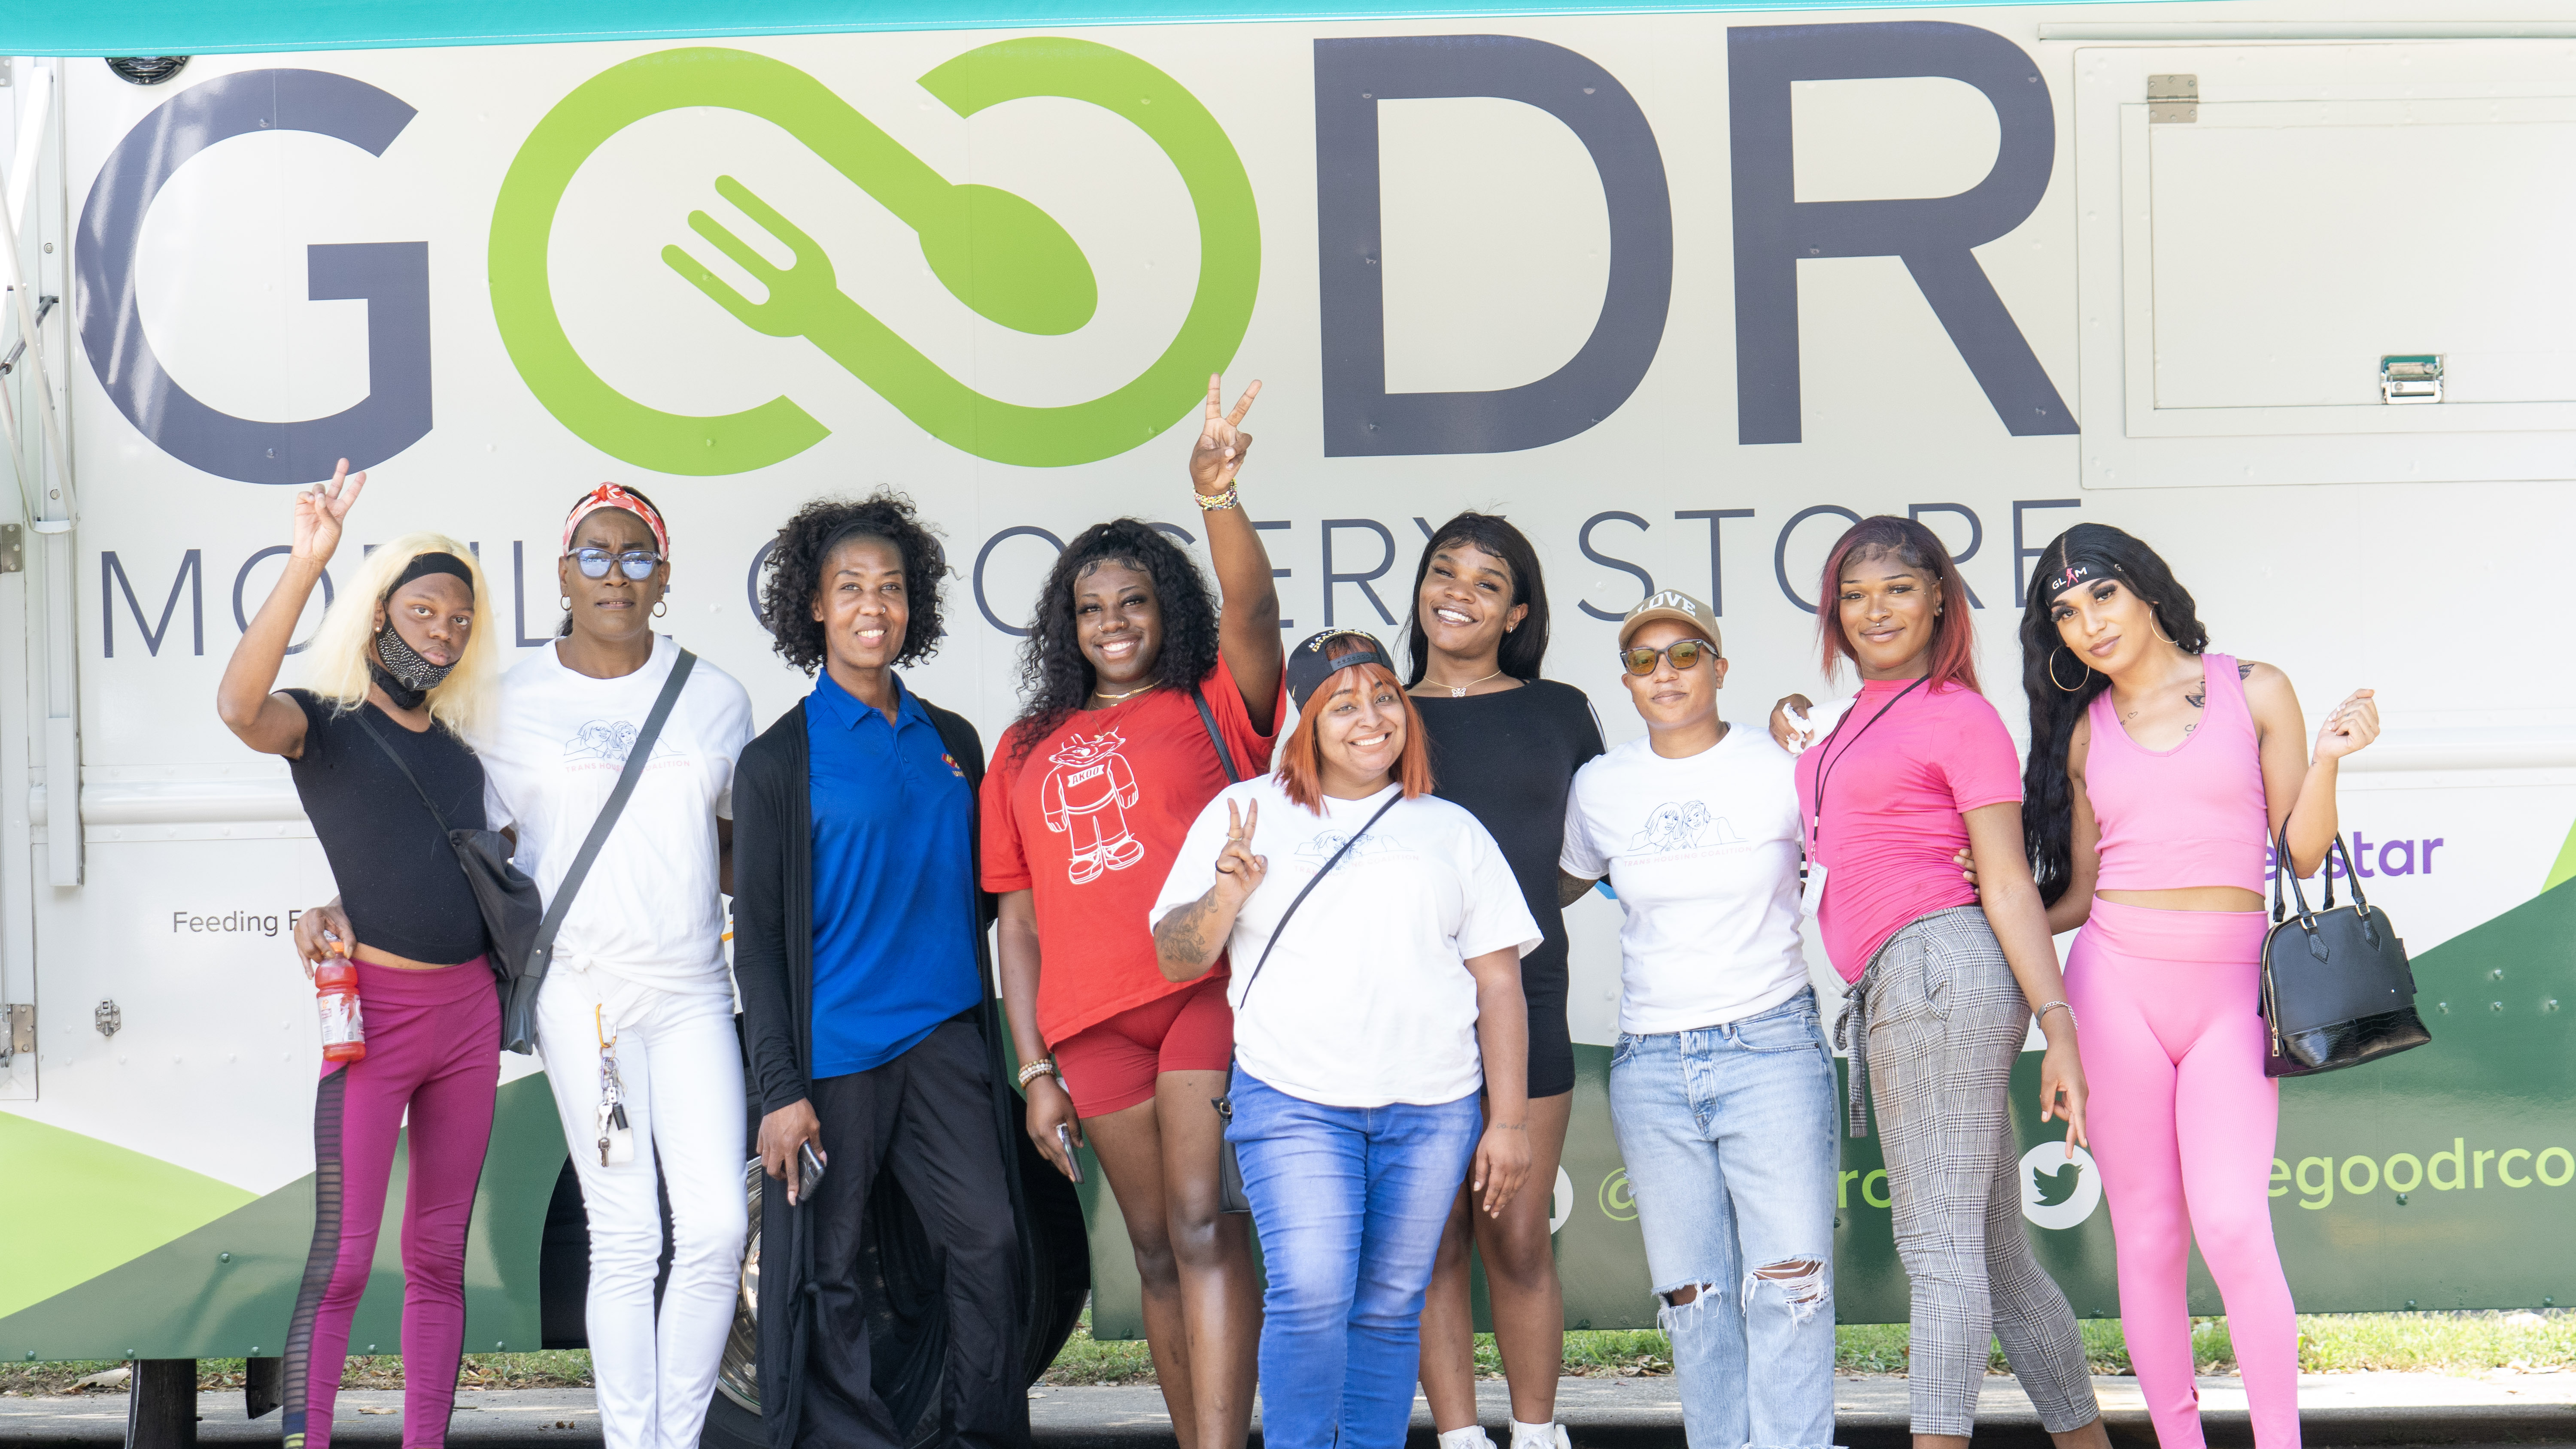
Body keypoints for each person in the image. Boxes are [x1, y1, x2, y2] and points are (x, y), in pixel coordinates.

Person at [1999, 524, 2376, 1449]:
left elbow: (2301, 852)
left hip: (2231, 991)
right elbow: (2078, 895)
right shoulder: (2081, 733)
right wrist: (1984, 903)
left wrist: (2328, 759)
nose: (2090, 623)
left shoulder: (2256, 688)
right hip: (2114, 986)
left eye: (2103, 595)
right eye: (2066, 613)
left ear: (2146, 590)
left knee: (2234, 1223)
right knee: (2151, 1238)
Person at [1148, 629, 1539, 1449]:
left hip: (1432, 1106)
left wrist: (1506, 1121)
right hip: (1294, 1099)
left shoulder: (1451, 829)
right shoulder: (1247, 814)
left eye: (1386, 698)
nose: (1372, 719)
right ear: (1307, 723)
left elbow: (1499, 984)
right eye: (1344, 705)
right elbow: (1177, 956)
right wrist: (1225, 895)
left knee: (1392, 1305)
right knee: (1311, 1293)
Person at [1771, 515, 2109, 1449]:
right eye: (1854, 594)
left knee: (1937, 1252)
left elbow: (2005, 880)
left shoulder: (1959, 714)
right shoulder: (1848, 720)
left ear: (1938, 602)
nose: (1874, 609)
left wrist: (2059, 1023)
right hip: (1907, 982)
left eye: (1898, 589)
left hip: (1937, 972)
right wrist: (1792, 723)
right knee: (1997, 1262)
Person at [987, 376, 1279, 1449]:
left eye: (1135, 602)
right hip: (1089, 1025)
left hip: (1202, 990)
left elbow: (1255, 612)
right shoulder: (1023, 748)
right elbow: (1017, 923)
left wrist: (1217, 495)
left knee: (1204, 1221)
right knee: (1154, 1248)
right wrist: (1035, 1069)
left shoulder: (1215, 702)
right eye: (1092, 608)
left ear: (1169, 609)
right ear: (1067, 626)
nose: (1114, 623)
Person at [215, 461, 504, 1449]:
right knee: (341, 1260)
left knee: (438, 1260)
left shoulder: (465, 749)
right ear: (380, 613)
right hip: (374, 1020)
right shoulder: (327, 724)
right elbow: (238, 707)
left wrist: (334, 902)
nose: (442, 632)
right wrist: (308, 561)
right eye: (424, 611)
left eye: (459, 620)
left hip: (470, 1019)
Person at [732, 494, 1028, 1449]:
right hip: (835, 1055)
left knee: (988, 1240)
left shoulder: (954, 741)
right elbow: (761, 940)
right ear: (815, 606)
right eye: (852, 587)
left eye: (892, 588)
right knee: (827, 1267)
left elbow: (988, 899)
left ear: (914, 606)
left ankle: (977, 1434)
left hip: (944, 1038)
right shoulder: (779, 761)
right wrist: (780, 1089)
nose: (874, 606)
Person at [1555, 591, 1835, 1449]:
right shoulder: (1600, 786)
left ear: (1720, 668)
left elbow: (1858, 844)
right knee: (1692, 1297)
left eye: (1685, 654)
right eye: (1644, 660)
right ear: (1627, 683)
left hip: (1771, 1043)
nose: (1666, 672)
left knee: (1789, 1286)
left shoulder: (1781, 764)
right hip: (1651, 1062)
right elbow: (1550, 885)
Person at [1399, 513, 1601, 1449]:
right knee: (1435, 1241)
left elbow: (1594, 848)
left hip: (1532, 997)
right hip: (1414, 1013)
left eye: (1487, 583)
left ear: (1517, 612)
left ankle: (1537, 1432)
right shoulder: (1380, 711)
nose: (1459, 594)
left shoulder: (1559, 710)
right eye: (1445, 572)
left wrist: (1519, 913)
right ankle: (1459, 1437)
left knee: (1517, 1237)